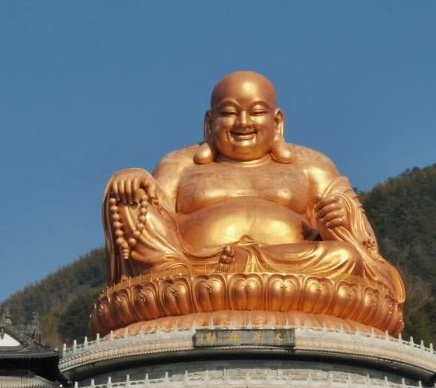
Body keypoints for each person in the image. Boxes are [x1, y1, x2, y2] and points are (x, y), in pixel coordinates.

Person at [95, 71, 405, 335]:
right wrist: (132, 179)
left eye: (256, 112)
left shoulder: (313, 166)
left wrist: (339, 221)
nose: (243, 122)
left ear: (277, 121)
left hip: (290, 271)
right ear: (209, 123)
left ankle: (243, 262)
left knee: (344, 256)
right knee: (126, 197)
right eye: (229, 112)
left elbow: (367, 251)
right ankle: (186, 275)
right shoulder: (179, 164)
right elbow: (153, 214)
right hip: (192, 268)